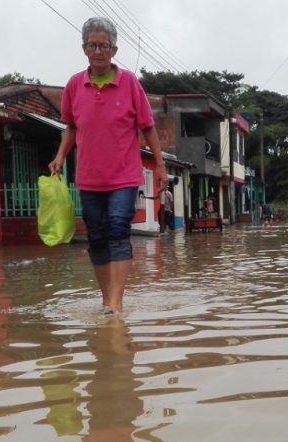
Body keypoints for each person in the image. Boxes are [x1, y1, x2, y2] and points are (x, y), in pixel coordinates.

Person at [48, 17, 166, 315]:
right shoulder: (75, 85)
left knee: (117, 229)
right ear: (84, 48)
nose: (98, 51)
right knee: (97, 236)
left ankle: (115, 302)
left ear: (114, 50)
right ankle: (108, 300)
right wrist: (61, 155)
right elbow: (71, 127)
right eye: (92, 45)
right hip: (88, 178)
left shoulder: (128, 82)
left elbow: (148, 126)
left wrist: (161, 165)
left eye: (103, 45)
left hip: (124, 176)